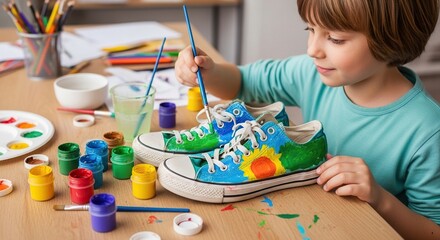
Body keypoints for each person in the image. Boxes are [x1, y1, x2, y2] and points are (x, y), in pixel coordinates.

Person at [174, 0, 440, 239]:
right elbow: (244, 82)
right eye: (310, 30)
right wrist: (208, 72)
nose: (313, 49)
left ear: (392, 37)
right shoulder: (311, 72)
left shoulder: (428, 131)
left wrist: (380, 199)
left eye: (335, 39)